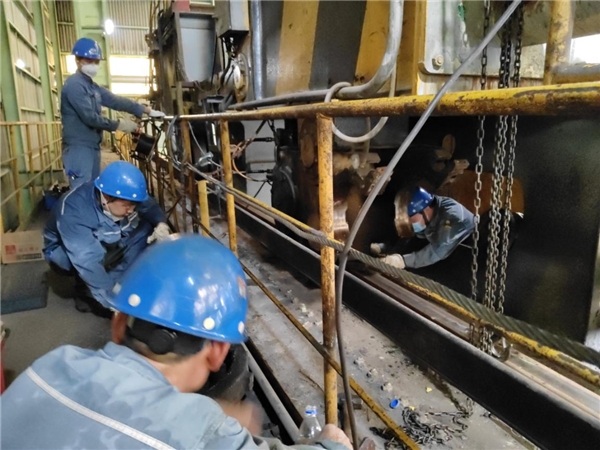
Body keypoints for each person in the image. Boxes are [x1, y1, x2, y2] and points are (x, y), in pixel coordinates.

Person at [1, 236, 352, 450]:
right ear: (218, 352)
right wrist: (332, 444)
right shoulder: (204, 434)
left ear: (118, 323)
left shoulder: (51, 365)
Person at [43, 161, 171, 315]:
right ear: (107, 197)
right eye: (127, 206)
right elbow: (87, 261)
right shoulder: (73, 210)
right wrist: (113, 300)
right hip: (67, 251)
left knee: (146, 229)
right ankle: (86, 289)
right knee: (75, 259)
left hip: (105, 239)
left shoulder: (124, 193)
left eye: (134, 205)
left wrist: (160, 223)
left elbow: (149, 206)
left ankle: (120, 280)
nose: (131, 210)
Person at [61, 37, 165, 188]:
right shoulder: (74, 85)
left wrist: (146, 110)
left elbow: (116, 101)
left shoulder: (92, 87)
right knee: (81, 191)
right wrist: (120, 125)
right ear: (77, 60)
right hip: (78, 148)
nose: (93, 65)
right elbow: (90, 118)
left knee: (92, 190)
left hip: (92, 147)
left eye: (96, 61)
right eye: (89, 60)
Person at [374, 187, 474, 269]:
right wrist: (389, 249)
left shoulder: (452, 217)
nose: (409, 222)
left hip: (467, 253)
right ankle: (387, 247)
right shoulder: (428, 209)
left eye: (409, 218)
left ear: (424, 210)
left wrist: (401, 261)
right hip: (440, 241)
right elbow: (408, 232)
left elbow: (437, 251)